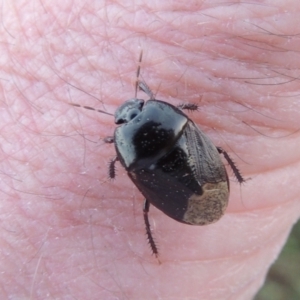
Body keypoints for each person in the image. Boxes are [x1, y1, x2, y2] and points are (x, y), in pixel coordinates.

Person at [1, 1, 299, 299]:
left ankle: (156, 251)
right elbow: (183, 112)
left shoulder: (128, 147)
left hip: (164, 184)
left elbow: (120, 163)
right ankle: (241, 183)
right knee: (217, 150)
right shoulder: (166, 117)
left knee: (146, 209)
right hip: (187, 160)